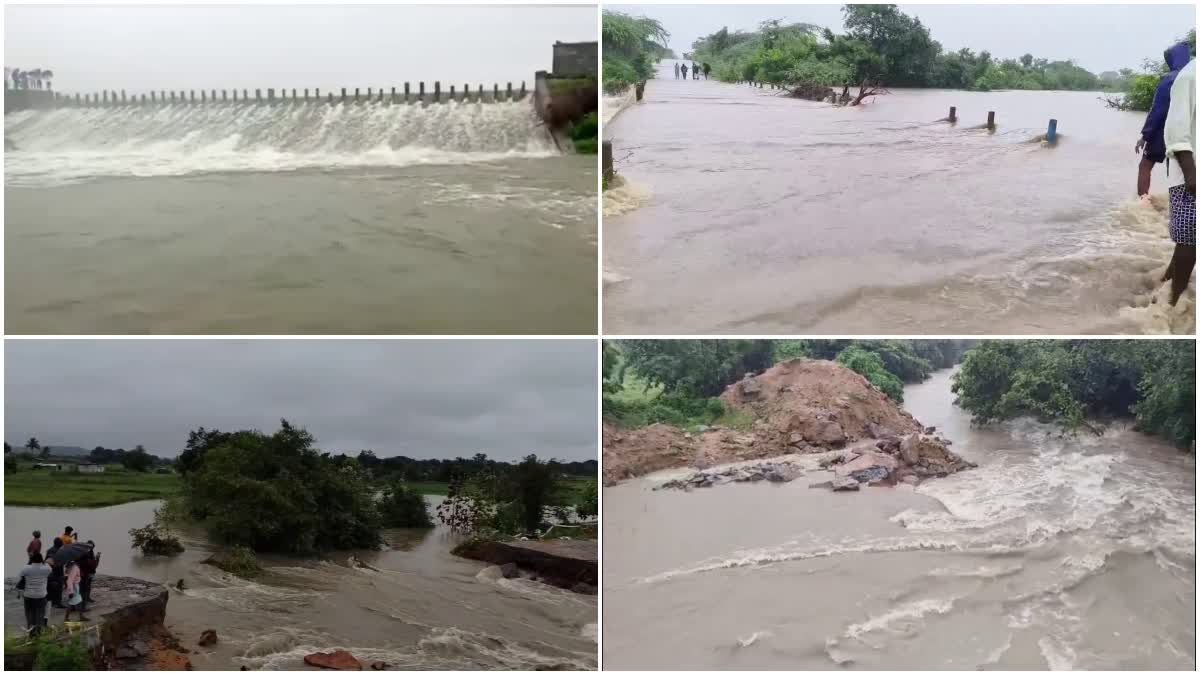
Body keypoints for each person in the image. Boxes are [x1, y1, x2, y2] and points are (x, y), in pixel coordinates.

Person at [1164, 56, 1196, 305]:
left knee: (1189, 239)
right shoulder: (1189, 77)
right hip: (1189, 173)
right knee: (1189, 238)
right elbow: (1176, 131)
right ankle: (1174, 302)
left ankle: (1166, 284)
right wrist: (1191, 174)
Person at [18, 553, 51, 636]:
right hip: (41, 596)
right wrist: (45, 562)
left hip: (28, 595)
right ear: (41, 560)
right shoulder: (46, 569)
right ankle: (38, 633)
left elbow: (20, 576)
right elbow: (49, 568)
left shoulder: (26, 568)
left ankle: (31, 634)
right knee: (40, 615)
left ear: (31, 560)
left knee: (29, 615)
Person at [78, 542, 100, 608]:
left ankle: (86, 599)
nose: (92, 548)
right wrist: (97, 558)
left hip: (85, 573)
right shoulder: (87, 553)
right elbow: (93, 565)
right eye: (92, 546)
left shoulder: (84, 552)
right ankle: (83, 604)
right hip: (87, 573)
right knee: (85, 587)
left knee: (85, 587)